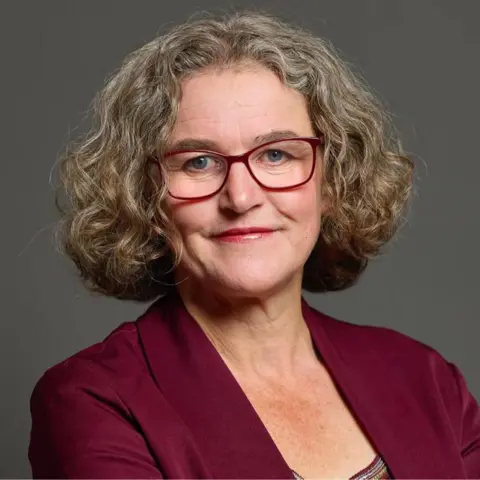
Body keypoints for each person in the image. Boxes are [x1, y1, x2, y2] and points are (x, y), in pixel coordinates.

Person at [28, 10, 480, 479]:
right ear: (148, 198)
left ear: (332, 180)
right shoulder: (94, 401)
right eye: (199, 162)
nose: (241, 197)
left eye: (277, 154)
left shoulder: (427, 380)